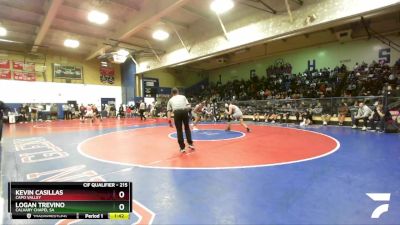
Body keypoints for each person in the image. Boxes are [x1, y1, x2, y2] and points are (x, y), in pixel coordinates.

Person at [167, 88, 194, 153]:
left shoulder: (170, 100)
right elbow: (189, 106)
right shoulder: (183, 97)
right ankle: (190, 144)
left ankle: (182, 148)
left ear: (172, 93)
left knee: (179, 130)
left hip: (177, 113)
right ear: (178, 92)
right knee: (187, 128)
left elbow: (168, 111)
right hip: (184, 111)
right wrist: (188, 112)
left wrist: (169, 121)